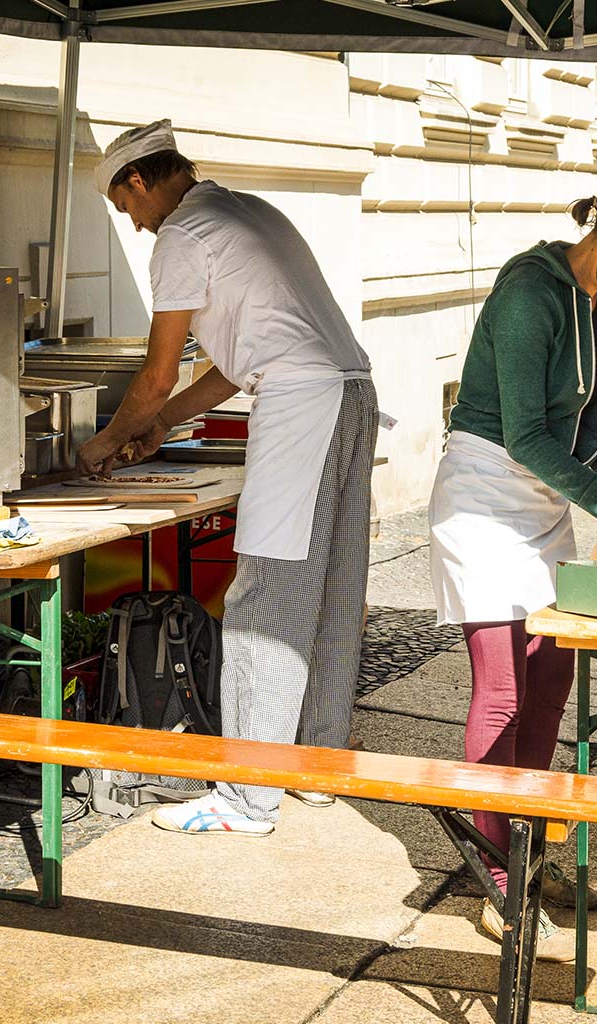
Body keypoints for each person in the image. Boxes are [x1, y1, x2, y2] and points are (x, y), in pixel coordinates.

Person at [78, 119, 379, 836]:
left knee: (264, 596)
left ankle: (246, 795)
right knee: (334, 588)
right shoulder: (247, 210)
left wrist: (108, 441)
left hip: (303, 405)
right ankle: (316, 762)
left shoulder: (184, 233)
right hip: (353, 392)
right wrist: (160, 425)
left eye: (129, 209)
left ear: (141, 180)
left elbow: (156, 371)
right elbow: (225, 368)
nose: (138, 226)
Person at [428, 172, 597, 960]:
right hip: (481, 494)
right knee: (504, 688)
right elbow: (526, 437)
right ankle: (496, 875)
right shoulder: (529, 293)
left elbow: (592, 434)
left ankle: (527, 849)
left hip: (539, 502)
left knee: (552, 680)